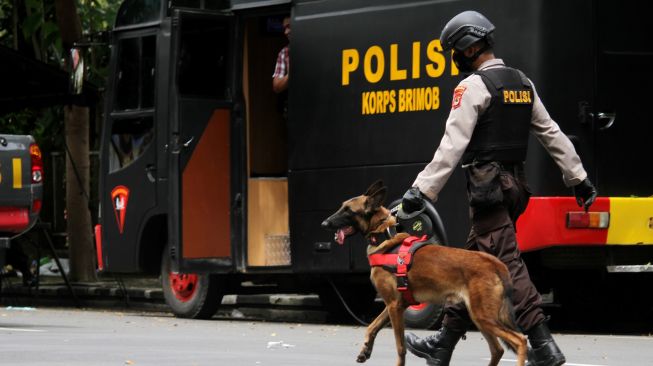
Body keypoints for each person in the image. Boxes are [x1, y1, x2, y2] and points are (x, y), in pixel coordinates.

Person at [400, 10, 597, 366]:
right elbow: (550, 133)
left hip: (487, 189)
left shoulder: (473, 87)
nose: (454, 58)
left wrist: (421, 191)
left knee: (508, 266)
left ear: (470, 47)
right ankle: (442, 345)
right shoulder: (522, 82)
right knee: (472, 265)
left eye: (454, 51)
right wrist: (578, 178)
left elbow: (452, 146)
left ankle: (544, 345)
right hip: (516, 185)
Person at [272, 15, 291, 119]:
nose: (286, 32)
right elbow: (276, 86)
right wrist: (290, 75)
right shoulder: (285, 53)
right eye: (284, 28)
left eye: (289, 26)